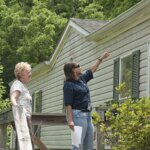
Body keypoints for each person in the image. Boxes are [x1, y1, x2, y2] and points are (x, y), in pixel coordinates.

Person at [63, 52, 110, 150]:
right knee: (77, 146)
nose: (81, 67)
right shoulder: (68, 85)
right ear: (73, 70)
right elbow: (68, 104)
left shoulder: (82, 79)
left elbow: (91, 70)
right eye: (78, 66)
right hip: (77, 116)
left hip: (88, 116)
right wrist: (70, 120)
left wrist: (101, 58)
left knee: (89, 146)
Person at [10, 62, 33, 149]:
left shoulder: (22, 85)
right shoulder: (18, 84)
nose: (30, 74)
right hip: (22, 118)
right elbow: (13, 98)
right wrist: (18, 110)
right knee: (26, 144)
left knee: (27, 143)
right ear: (21, 73)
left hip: (26, 117)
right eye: (28, 71)